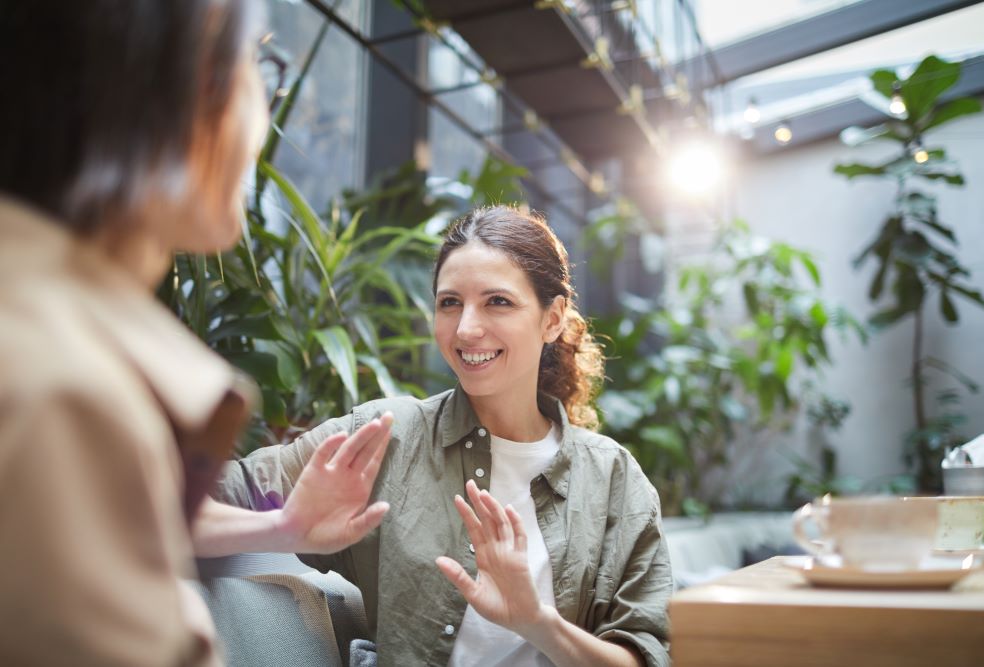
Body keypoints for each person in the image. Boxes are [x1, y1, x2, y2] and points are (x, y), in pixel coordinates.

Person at [0, 2, 392, 665]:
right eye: (259, 65)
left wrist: (285, 526)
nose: (264, 113)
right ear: (177, 84)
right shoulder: (67, 391)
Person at [211, 206, 672, 666]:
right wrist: (281, 527)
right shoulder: (383, 440)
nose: (467, 329)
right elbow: (192, 497)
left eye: (498, 301)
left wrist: (537, 622)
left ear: (552, 319)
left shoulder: (612, 479)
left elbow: (646, 655)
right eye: (450, 302)